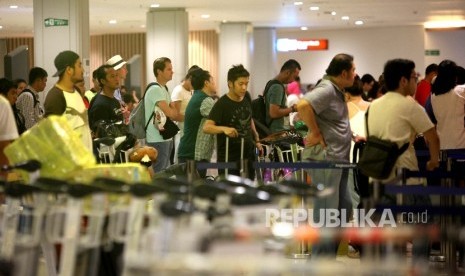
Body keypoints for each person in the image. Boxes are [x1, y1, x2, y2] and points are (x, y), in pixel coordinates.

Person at [368, 58, 440, 263]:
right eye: (414, 77)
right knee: (423, 223)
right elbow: (432, 136)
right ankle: (418, 267)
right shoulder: (410, 106)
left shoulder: (374, 106)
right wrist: (433, 161)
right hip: (407, 177)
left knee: (385, 227)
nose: (416, 81)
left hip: (380, 177)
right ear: (402, 81)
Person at [296, 53, 356, 258]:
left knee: (344, 208)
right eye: (353, 71)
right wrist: (315, 132)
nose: (355, 74)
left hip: (338, 159)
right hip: (325, 158)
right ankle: (317, 264)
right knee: (327, 213)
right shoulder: (327, 88)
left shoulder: (337, 90)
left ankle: (326, 259)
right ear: (344, 72)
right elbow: (303, 105)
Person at [203, 64, 261, 180]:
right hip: (228, 158)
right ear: (230, 84)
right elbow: (207, 127)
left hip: (248, 155)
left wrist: (257, 139)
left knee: (248, 190)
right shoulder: (222, 104)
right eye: (241, 84)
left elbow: (249, 119)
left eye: (246, 84)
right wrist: (224, 129)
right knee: (230, 193)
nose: (244, 87)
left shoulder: (247, 98)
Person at [44, 50, 92, 151]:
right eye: (79, 65)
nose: (83, 70)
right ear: (69, 70)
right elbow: (52, 137)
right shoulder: (55, 97)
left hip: (85, 160)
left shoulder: (77, 91)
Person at [177, 68, 216, 177]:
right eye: (212, 80)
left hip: (188, 152)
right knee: (193, 191)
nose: (215, 83)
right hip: (194, 155)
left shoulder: (196, 96)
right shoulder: (205, 100)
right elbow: (220, 120)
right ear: (206, 83)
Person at [145, 57, 179, 173]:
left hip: (165, 136)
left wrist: (172, 110)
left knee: (164, 169)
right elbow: (171, 113)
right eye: (169, 69)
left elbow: (173, 112)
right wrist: (172, 109)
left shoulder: (164, 88)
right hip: (157, 138)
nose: (172, 72)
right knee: (159, 171)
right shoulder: (155, 89)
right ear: (159, 71)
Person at [430, 60, 464, 150]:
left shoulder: (434, 96)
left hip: (442, 144)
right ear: (454, 76)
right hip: (460, 145)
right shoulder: (460, 91)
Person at [171, 65, 200, 163]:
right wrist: (192, 119)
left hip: (190, 132)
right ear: (190, 78)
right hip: (182, 132)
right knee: (180, 162)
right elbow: (175, 115)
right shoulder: (178, 91)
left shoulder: (191, 91)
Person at [265, 59, 301, 134]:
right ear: (287, 72)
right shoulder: (277, 87)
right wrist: (293, 108)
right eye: (294, 77)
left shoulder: (271, 83)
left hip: (278, 131)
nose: (293, 81)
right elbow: (274, 113)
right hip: (277, 133)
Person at [88, 65, 124, 134]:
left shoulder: (115, 101)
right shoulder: (100, 104)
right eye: (112, 76)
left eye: (117, 75)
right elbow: (100, 134)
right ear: (103, 81)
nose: (117, 79)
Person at [0, 93, 19, 180]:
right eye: (13, 93)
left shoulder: (3, 104)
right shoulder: (2, 103)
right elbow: (4, 147)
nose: (16, 96)